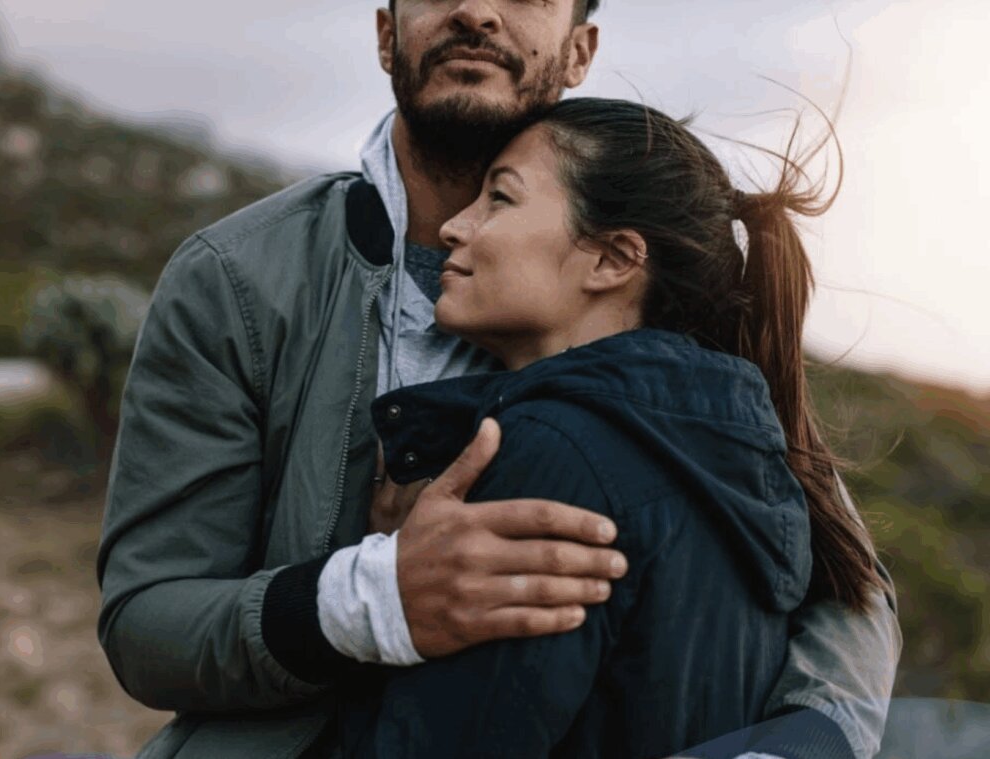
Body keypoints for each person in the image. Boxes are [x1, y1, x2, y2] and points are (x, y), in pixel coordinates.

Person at [96, 2, 901, 758]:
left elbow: (842, 572)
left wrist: (796, 744)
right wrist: (372, 598)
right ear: (386, 35)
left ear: (580, 48)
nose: (477, 11)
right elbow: (146, 622)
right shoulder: (236, 278)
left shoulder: (651, 297)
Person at [335, 96, 883, 759]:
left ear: (614, 260)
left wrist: (377, 604)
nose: (454, 226)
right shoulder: (738, 453)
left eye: (500, 199)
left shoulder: (555, 453)